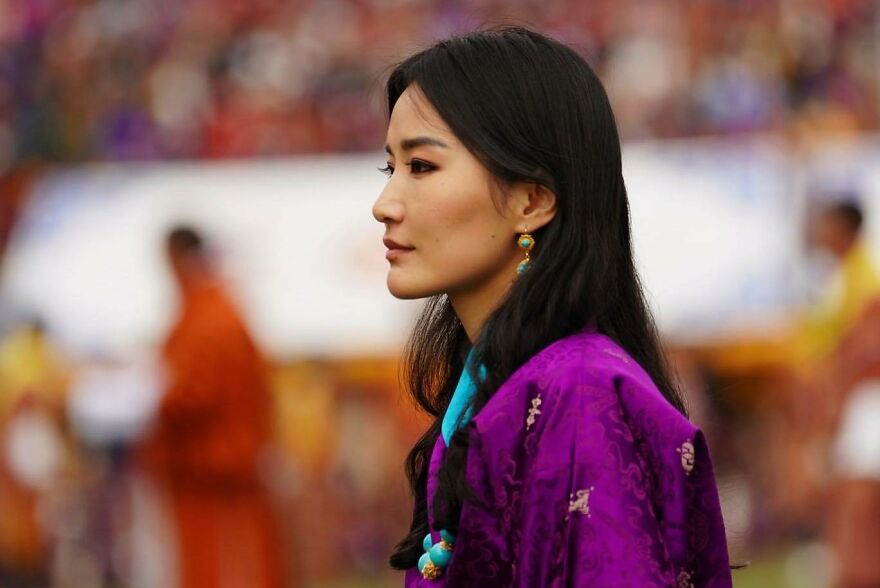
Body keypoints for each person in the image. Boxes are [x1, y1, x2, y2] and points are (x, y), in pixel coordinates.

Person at [372, 28, 731, 587]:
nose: (384, 205)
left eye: (421, 167)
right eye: (388, 169)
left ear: (533, 200)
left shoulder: (579, 392)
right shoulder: (500, 386)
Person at [139, 226, 283, 588]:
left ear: (174, 257)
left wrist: (149, 401)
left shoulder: (205, 314)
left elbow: (192, 392)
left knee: (215, 562)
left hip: (208, 463)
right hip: (232, 457)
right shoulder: (222, 306)